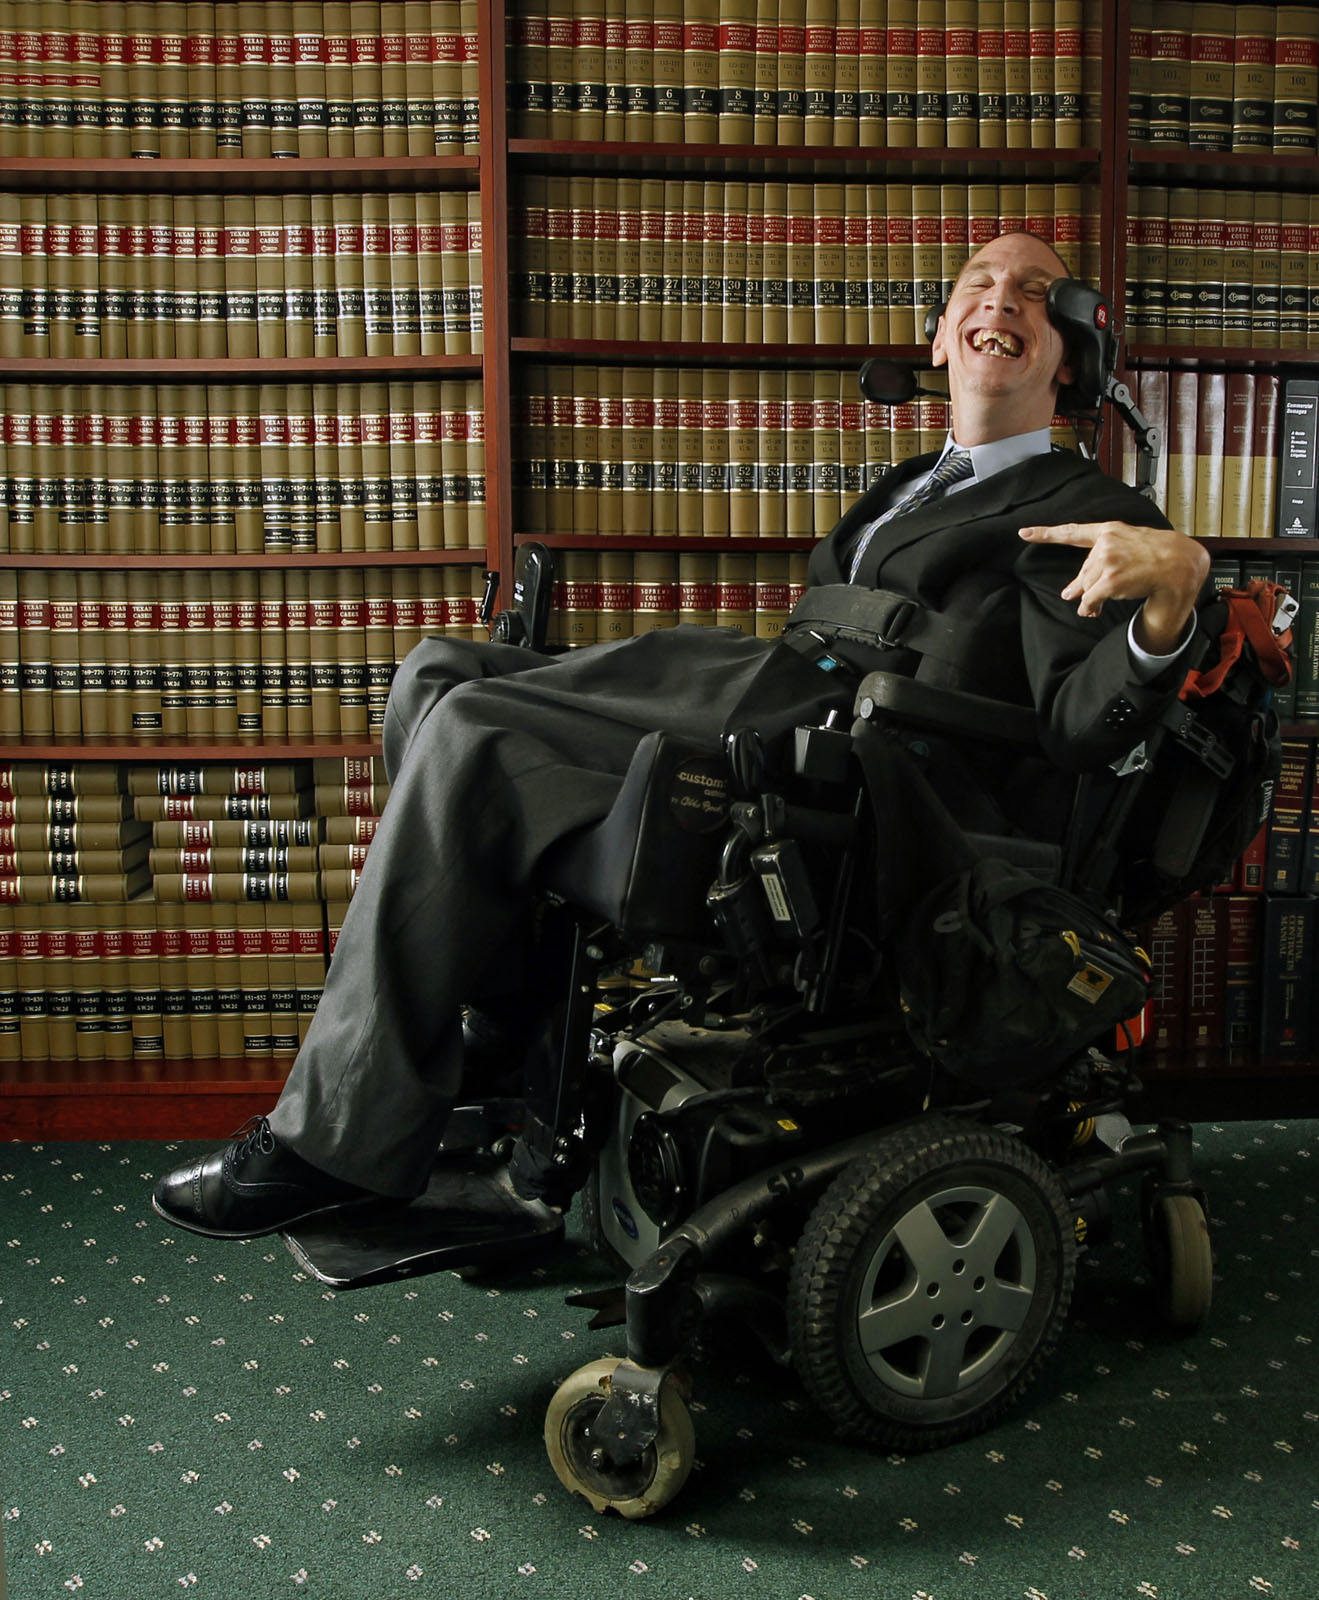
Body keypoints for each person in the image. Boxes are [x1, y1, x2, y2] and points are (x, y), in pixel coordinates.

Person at [152, 229, 1209, 1250]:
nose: (1001, 300)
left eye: (1033, 292)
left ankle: (331, 1141)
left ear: (1072, 358)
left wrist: (1170, 605)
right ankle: (494, 1026)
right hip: (771, 684)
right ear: (937, 337)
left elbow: (1080, 728)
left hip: (860, 773)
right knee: (438, 671)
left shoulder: (1088, 508)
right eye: (980, 282)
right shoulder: (908, 485)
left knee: (475, 732)